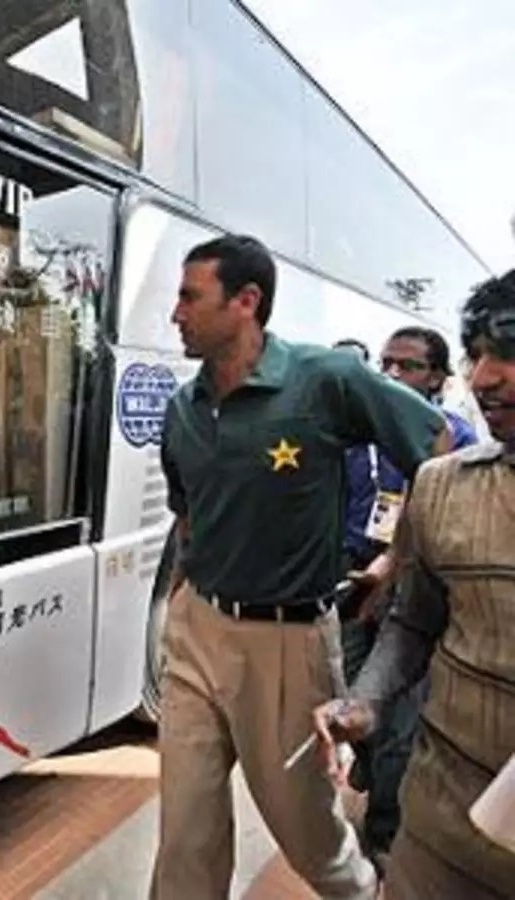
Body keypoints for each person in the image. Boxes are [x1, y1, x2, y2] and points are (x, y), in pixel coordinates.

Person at [153, 235, 451, 900]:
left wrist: (395, 560)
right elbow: (188, 513)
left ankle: (363, 893)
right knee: (184, 828)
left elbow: (435, 448)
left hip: (288, 644)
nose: (175, 313)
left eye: (188, 296)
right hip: (197, 628)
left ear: (246, 302)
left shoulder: (326, 380)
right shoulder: (182, 409)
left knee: (307, 831)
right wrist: (179, 602)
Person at [314, 269, 515, 899]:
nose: (485, 378)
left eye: (508, 356)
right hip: (439, 829)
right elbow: (413, 623)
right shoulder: (443, 485)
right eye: (477, 355)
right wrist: (365, 701)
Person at [337, 327, 478, 863]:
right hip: (353, 584)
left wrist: (395, 569)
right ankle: (370, 761)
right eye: (387, 364)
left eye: (410, 367)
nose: (393, 375)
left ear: (439, 378)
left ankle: (383, 842)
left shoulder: (458, 444)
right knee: (346, 691)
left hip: (414, 590)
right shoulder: (356, 437)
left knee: (398, 726)